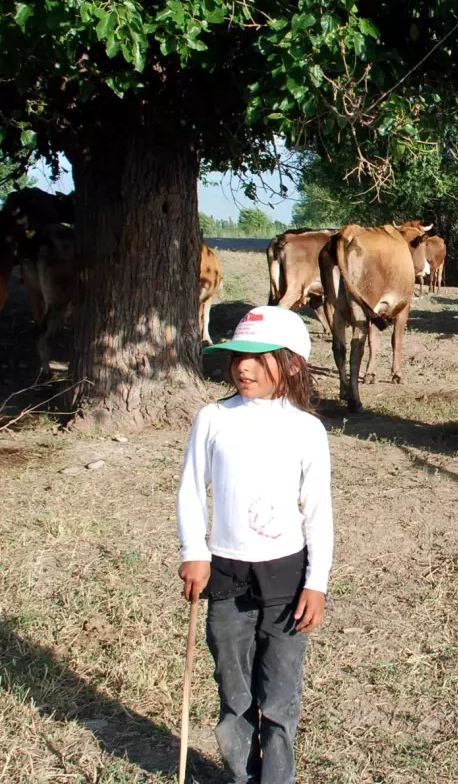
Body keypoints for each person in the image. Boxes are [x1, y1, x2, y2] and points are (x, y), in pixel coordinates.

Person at [176, 306, 333, 784]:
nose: (242, 366)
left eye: (256, 356)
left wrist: (317, 583)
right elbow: (190, 489)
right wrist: (194, 553)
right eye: (236, 356)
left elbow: (318, 511)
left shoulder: (307, 429)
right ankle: (242, 775)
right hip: (225, 575)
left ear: (290, 363)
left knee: (280, 698)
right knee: (235, 692)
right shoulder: (213, 418)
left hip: (287, 579)